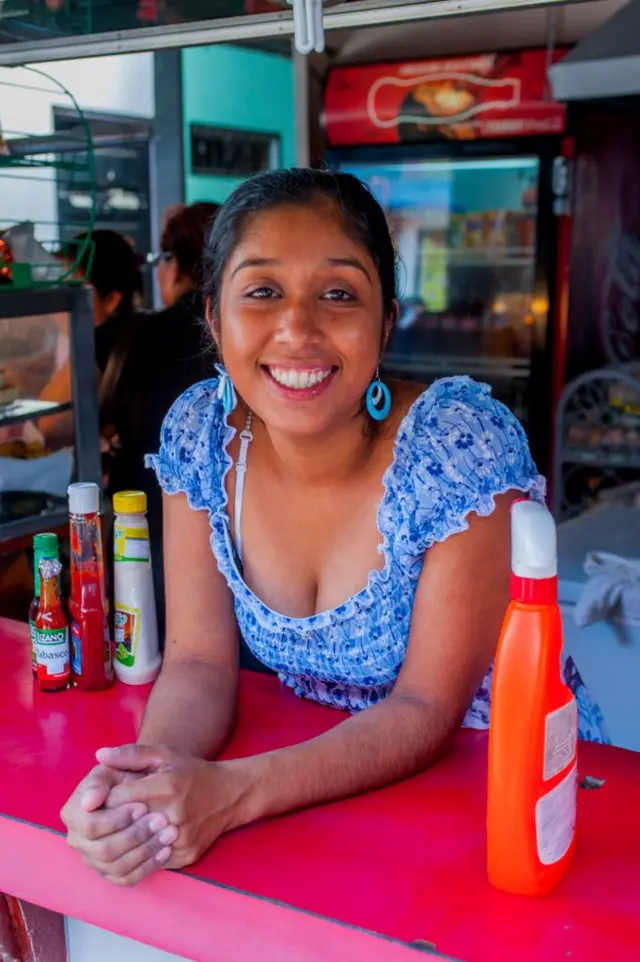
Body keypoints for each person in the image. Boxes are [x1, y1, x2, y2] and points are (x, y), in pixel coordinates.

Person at [60, 168, 608, 888]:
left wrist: (230, 794)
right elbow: (198, 663)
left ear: (384, 321)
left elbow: (426, 710)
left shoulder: (458, 446)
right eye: (261, 291)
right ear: (213, 319)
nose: (298, 329)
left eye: (339, 294)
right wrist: (154, 781)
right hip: (320, 783)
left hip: (497, 792)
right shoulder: (200, 433)